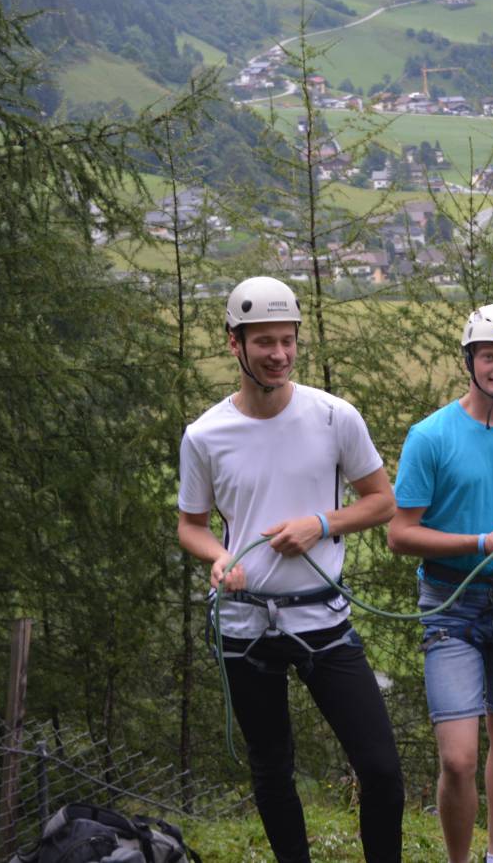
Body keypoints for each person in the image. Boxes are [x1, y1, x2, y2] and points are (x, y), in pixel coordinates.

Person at [178, 276, 404, 863]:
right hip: (244, 626)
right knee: (272, 769)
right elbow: (191, 525)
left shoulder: (334, 417)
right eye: (264, 342)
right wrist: (220, 557)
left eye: (288, 340)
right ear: (235, 344)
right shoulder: (204, 435)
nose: (278, 354)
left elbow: (382, 501)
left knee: (380, 767)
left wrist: (320, 525)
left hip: (321, 618)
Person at [388, 303, 493, 863]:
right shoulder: (430, 436)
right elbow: (400, 533)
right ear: (470, 359)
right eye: (490, 356)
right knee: (458, 757)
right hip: (450, 604)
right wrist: (476, 544)